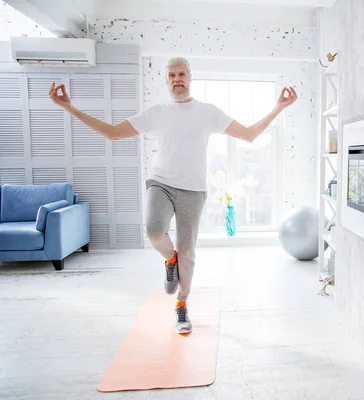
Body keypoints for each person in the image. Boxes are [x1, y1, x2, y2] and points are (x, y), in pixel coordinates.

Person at [48, 56, 298, 334]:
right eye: (171, 76)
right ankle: (170, 259)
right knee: (155, 231)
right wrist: (71, 109)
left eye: (181, 74)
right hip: (161, 183)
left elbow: (249, 134)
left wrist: (278, 108)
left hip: (194, 189)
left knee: (188, 251)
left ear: (190, 77)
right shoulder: (157, 112)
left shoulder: (208, 112)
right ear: (166, 80)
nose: (177, 79)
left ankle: (181, 306)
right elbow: (113, 133)